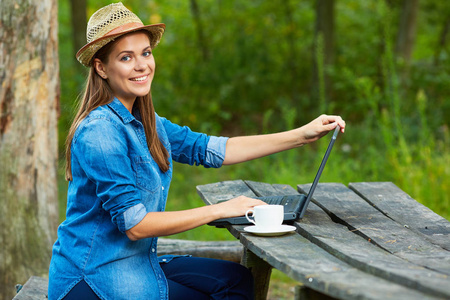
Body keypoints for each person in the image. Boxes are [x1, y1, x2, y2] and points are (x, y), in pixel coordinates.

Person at [48, 2, 346, 300]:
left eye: (146, 53)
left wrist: (302, 135)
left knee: (236, 280)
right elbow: (135, 225)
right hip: (94, 276)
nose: (142, 65)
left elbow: (211, 149)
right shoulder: (100, 131)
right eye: (126, 57)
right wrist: (220, 209)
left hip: (133, 262)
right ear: (101, 67)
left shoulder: (146, 122)